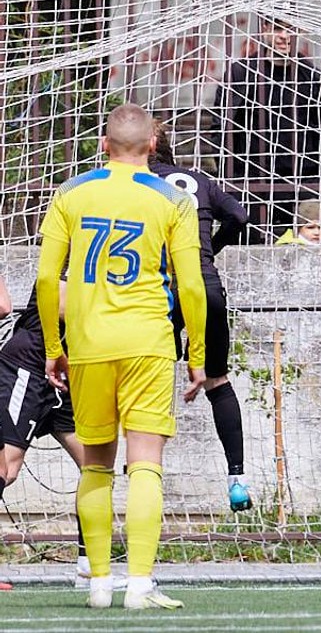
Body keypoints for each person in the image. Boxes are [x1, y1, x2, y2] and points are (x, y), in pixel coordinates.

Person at [36, 103, 209, 610]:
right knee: (146, 464)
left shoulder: (70, 193)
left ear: (104, 146)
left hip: (88, 345)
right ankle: (139, 584)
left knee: (95, 465)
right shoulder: (174, 199)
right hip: (148, 343)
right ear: (153, 148)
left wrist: (53, 347)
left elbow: (47, 279)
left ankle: (98, 585)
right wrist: (196, 353)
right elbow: (192, 285)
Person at [149, 124, 253, 511]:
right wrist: (208, 250)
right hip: (206, 286)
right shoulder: (199, 180)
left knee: (148, 375)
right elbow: (241, 217)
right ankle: (237, 480)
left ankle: (143, 472)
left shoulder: (139, 181)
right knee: (217, 380)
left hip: (156, 288)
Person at [0, 278, 86, 590]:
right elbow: (61, 305)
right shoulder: (70, 247)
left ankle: (90, 569)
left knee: (95, 467)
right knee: (5, 470)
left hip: (67, 376)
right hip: (29, 366)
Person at [218, 16, 321, 184]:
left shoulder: (311, 76)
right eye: (278, 28)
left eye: (291, 29)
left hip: (303, 179)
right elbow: (221, 125)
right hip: (252, 179)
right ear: (265, 29)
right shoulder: (241, 73)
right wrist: (232, 175)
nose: (284, 36)